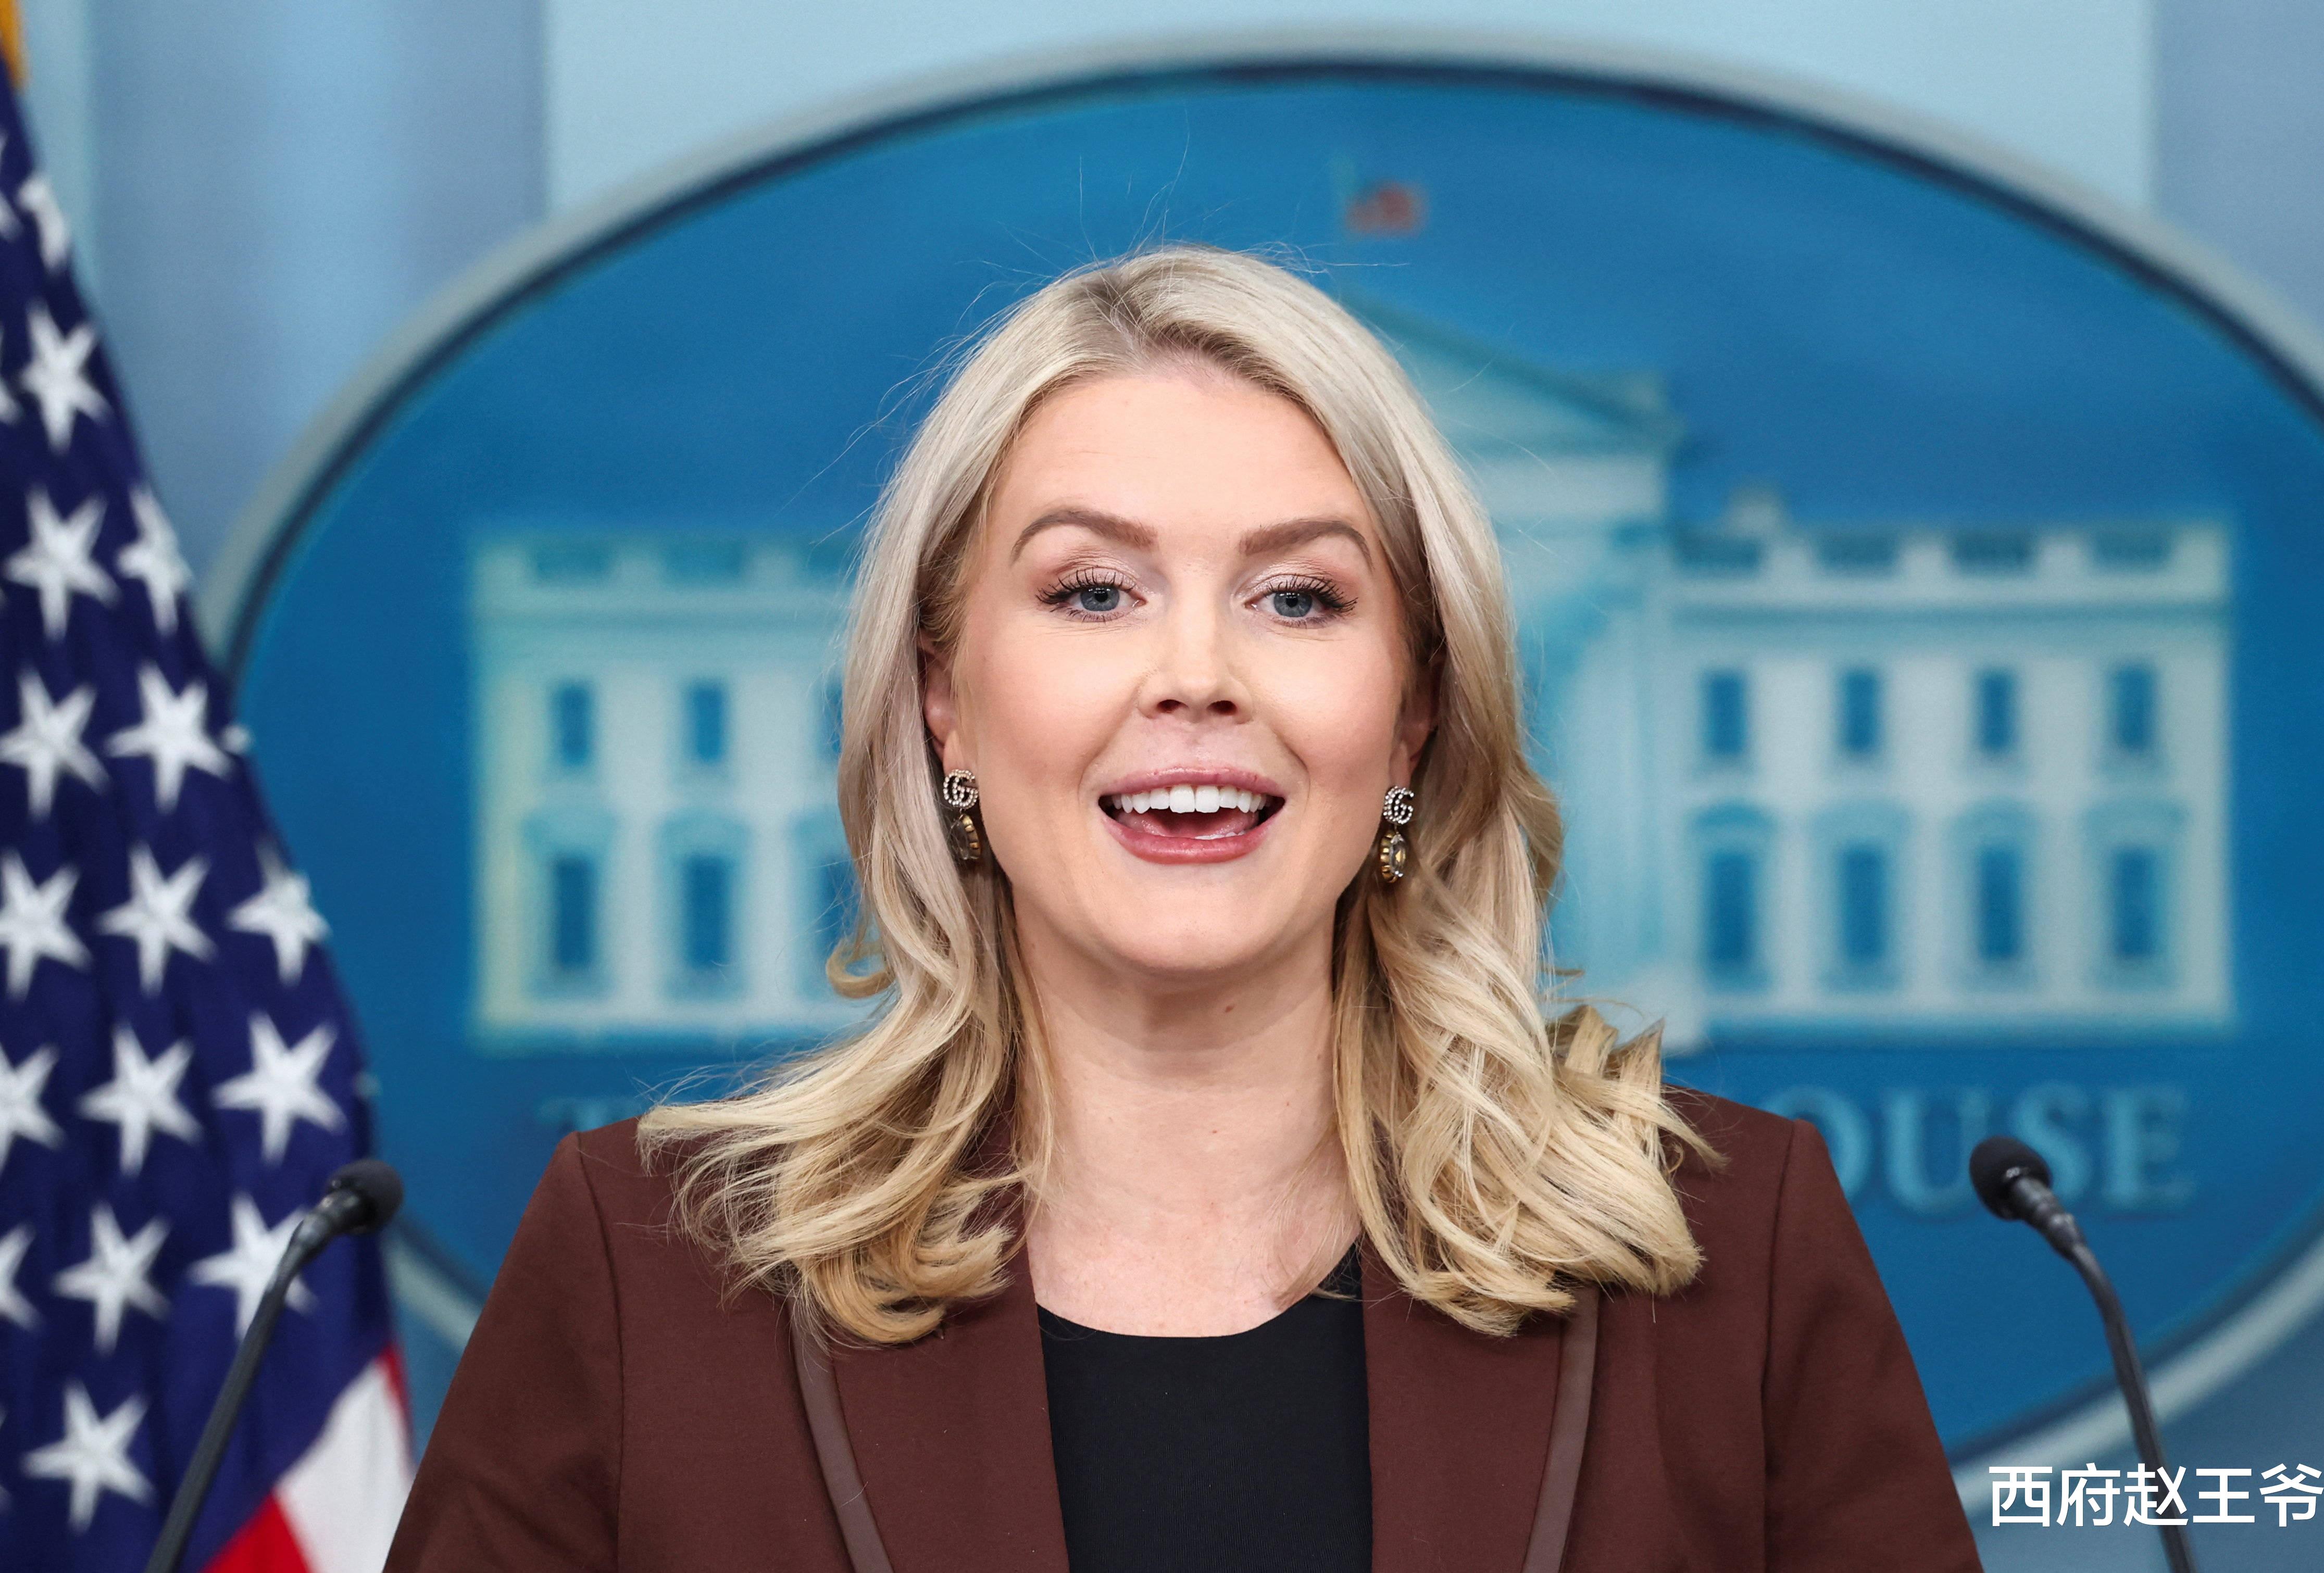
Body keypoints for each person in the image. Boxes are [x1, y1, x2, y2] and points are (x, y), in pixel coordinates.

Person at [385, 245, 1982, 1572]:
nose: (1197, 675)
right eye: (1093, 592)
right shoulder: (650, 1266)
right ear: (944, 700)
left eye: (1298, 598)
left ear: (1412, 714)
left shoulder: (1723, 1252)